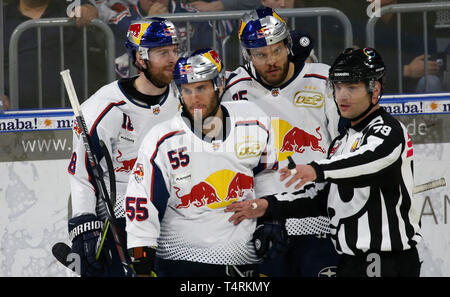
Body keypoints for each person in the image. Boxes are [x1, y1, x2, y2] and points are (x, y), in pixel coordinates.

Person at [226, 47, 423, 277]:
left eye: (352, 87)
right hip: (350, 261)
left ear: (375, 89)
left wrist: (317, 169)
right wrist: (268, 205)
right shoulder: (341, 142)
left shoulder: (387, 129)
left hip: (387, 261)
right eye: (338, 88)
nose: (342, 96)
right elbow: (322, 200)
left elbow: (367, 161)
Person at [124, 48, 281, 277]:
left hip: (244, 257)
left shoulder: (253, 119)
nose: (194, 98)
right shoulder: (162, 140)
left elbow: (268, 172)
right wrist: (141, 260)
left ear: (219, 85)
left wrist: (271, 217)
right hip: (183, 260)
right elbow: (141, 205)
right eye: (186, 90)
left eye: (201, 88)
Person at [221, 7, 341, 277]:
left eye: (276, 50)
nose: (271, 60)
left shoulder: (323, 79)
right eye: (260, 55)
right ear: (247, 55)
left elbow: (342, 146)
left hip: (319, 218)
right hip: (261, 221)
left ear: (288, 45)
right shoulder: (233, 88)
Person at [66, 18, 181, 276]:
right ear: (140, 59)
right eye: (163, 52)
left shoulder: (184, 97)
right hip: (122, 218)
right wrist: (84, 226)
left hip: (175, 214)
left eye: (175, 50)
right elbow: (82, 173)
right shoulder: (103, 108)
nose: (173, 58)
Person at [2, 0, 102, 110]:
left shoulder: (69, 9)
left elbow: (87, 10)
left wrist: (88, 9)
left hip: (75, 110)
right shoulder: (3, 16)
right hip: (18, 116)